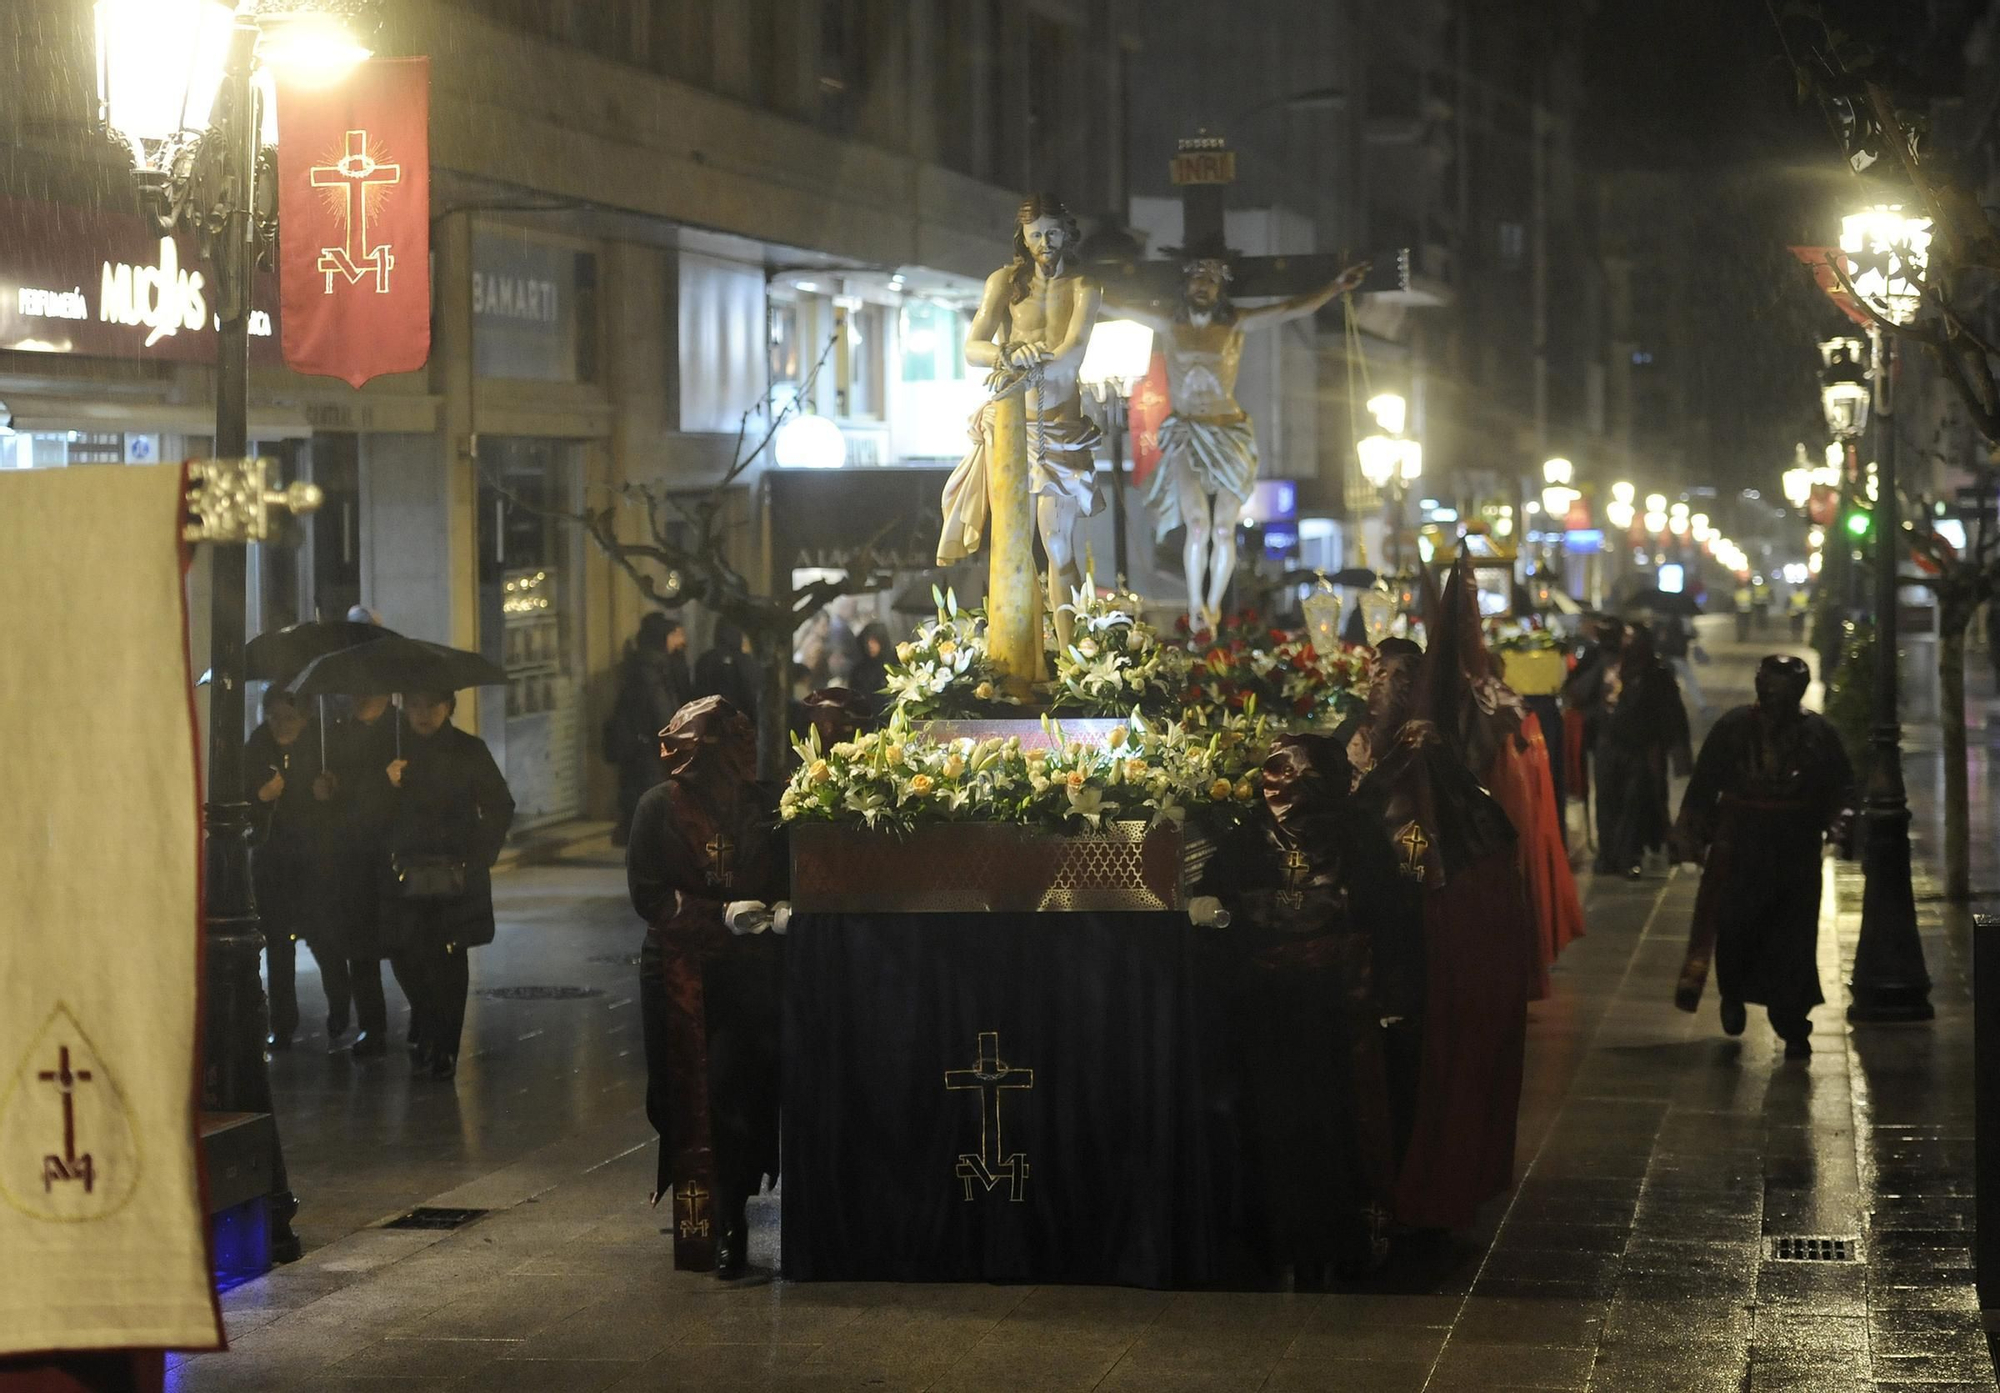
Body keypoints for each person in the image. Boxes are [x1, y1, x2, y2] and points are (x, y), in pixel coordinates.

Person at [1197, 733, 1410, 1282]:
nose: (1284, 795)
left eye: (1298, 782)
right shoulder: (1247, 839)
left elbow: (1387, 916)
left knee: (1337, 1122)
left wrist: (1388, 992)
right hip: (1273, 1006)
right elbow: (1217, 902)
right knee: (1280, 1123)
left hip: (1337, 1003)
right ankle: (1284, 1237)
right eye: (1275, 780)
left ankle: (1340, 1236)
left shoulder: (1358, 838)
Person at [1116, 241, 1366, 633]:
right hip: (1185, 431)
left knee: (1221, 528)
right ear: (1186, 284)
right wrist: (1072, 282)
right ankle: (1198, 606)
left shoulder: (1234, 324)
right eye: (1197, 277)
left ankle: (1214, 604)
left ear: (1221, 288)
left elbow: (1289, 309)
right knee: (1197, 525)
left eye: (1211, 279)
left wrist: (1335, 287)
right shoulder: (1169, 324)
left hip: (1228, 431)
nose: (1203, 285)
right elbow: (1114, 305)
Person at [626, 697, 787, 1278]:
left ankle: (732, 1216)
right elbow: (648, 894)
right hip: (678, 970)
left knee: (737, 1091)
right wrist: (715, 914)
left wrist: (790, 906)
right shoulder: (656, 809)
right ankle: (707, 1207)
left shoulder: (768, 806)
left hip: (748, 973)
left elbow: (794, 869)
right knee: (681, 1096)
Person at [938, 193, 1103, 652]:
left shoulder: (1085, 287)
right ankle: (1015, 651)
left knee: (1058, 544)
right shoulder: (1005, 281)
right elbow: (973, 347)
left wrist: (1033, 365)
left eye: (1052, 232)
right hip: (1012, 429)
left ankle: (1070, 655)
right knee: (1011, 545)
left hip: (1061, 427)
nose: (1044, 242)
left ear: (1066, 233)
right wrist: (1008, 353)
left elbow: (1072, 355)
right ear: (1023, 238)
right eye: (1035, 234)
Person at [1673, 656, 1853, 1059]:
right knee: (1736, 924)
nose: (1775, 699)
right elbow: (1705, 783)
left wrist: (1840, 827)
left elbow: (1842, 788)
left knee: (1794, 936)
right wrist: (1693, 832)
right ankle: (1733, 992)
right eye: (1769, 688)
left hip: (1796, 847)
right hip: (1742, 844)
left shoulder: (1818, 734)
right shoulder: (1735, 728)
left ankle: (1792, 1021)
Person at [381, 691, 515, 1080]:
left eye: (432, 705)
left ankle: (445, 1046)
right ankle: (426, 1020)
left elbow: (499, 805)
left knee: (449, 956)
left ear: (449, 708)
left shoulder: (469, 750)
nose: (423, 714)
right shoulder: (392, 751)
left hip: (455, 871)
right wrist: (386, 784)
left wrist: (479, 855)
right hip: (403, 870)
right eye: (416, 705)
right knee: (405, 953)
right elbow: (368, 811)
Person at [246, 689, 334, 1050]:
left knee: (324, 939)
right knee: (278, 945)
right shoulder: (255, 749)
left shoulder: (321, 747)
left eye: (289, 716)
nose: (281, 724)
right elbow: (241, 805)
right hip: (272, 861)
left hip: (313, 860)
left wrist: (326, 793)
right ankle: (282, 1022)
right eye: (274, 716)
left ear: (305, 717)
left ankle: (340, 1007)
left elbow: (336, 807)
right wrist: (262, 798)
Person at [318, 693, 398, 1056]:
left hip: (392, 849)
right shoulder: (336, 733)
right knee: (360, 946)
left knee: (406, 946)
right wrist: (323, 788)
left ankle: (427, 1022)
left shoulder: (399, 729)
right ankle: (372, 1026)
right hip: (350, 852)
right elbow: (331, 784)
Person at [1593, 624, 1690, 878]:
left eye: (1631, 638)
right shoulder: (1608, 666)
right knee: (1606, 801)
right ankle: (1607, 856)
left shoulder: (1656, 674)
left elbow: (1671, 714)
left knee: (1632, 804)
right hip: (1608, 747)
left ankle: (1627, 856)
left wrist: (1677, 752)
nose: (1626, 642)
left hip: (1638, 750)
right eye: (1623, 637)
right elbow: (1583, 694)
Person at [607, 613, 691, 846]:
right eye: (674, 634)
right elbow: (661, 712)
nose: (680, 639)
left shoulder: (647, 664)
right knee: (651, 800)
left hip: (641, 748)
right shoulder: (651, 669)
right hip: (647, 750)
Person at [696, 622, 762, 722]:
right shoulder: (746, 662)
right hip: (740, 723)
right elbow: (753, 695)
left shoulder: (705, 660)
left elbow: (698, 693)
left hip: (711, 722)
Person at [849, 622, 893, 709]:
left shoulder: (892, 666)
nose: (870, 645)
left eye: (874, 641)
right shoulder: (859, 671)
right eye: (867, 641)